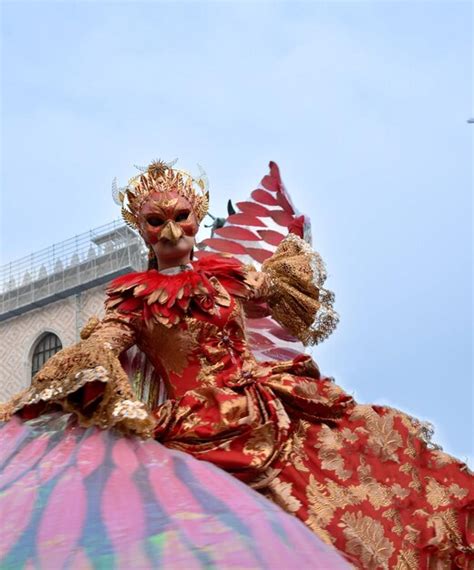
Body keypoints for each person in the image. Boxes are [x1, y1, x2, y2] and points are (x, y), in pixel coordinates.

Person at [1, 159, 473, 569]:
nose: (170, 231)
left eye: (181, 218)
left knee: (352, 482)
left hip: (270, 406)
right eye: (155, 221)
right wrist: (93, 360)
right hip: (192, 428)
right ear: (140, 227)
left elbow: (286, 295)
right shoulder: (134, 299)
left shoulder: (229, 276)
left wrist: (287, 269)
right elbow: (106, 340)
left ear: (197, 217)